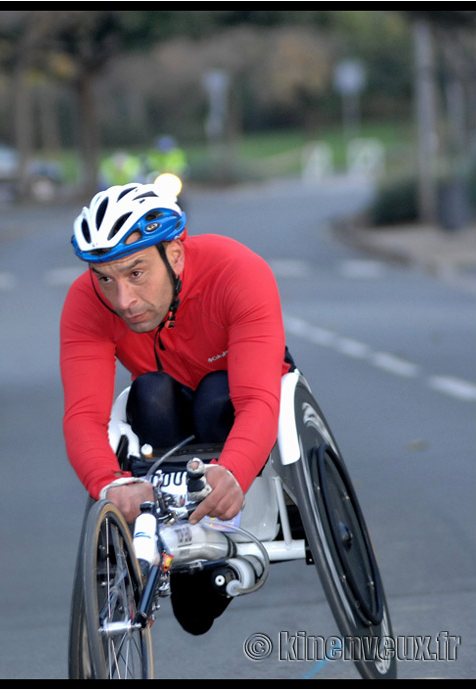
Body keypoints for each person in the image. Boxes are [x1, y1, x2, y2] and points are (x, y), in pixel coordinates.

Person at [60, 177, 291, 634]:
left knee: (215, 396)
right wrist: (109, 485)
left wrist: (236, 471)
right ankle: (176, 537)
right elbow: (83, 416)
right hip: (167, 416)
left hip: (235, 398)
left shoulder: (236, 270)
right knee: (149, 393)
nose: (123, 300)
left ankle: (223, 531)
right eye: (105, 278)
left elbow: (259, 400)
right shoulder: (87, 303)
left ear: (176, 255)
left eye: (136, 273)